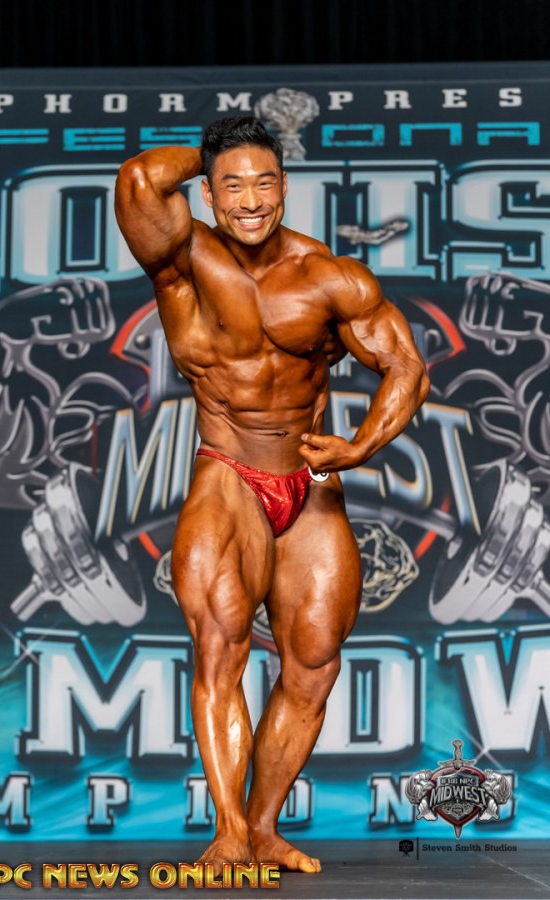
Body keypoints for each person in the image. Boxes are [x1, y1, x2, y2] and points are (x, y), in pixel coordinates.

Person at [115, 116, 429, 873]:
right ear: (208, 191)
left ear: (286, 186)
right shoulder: (182, 258)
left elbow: (406, 367)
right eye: (233, 184)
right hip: (228, 469)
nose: (251, 200)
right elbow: (139, 180)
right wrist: (214, 150)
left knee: (314, 663)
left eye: (265, 182)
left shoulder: (331, 277)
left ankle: (261, 828)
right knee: (220, 645)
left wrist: (362, 445)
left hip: (310, 479)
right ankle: (226, 830)